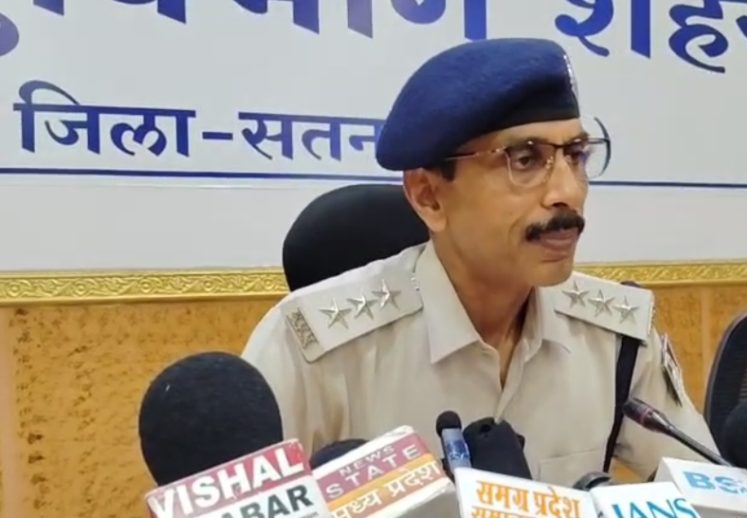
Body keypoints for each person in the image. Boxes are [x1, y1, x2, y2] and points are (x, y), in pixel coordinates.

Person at [241, 37, 717, 487]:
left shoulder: (615, 340)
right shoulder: (314, 350)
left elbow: (720, 508)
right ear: (429, 197)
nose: (568, 192)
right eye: (525, 160)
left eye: (575, 155)